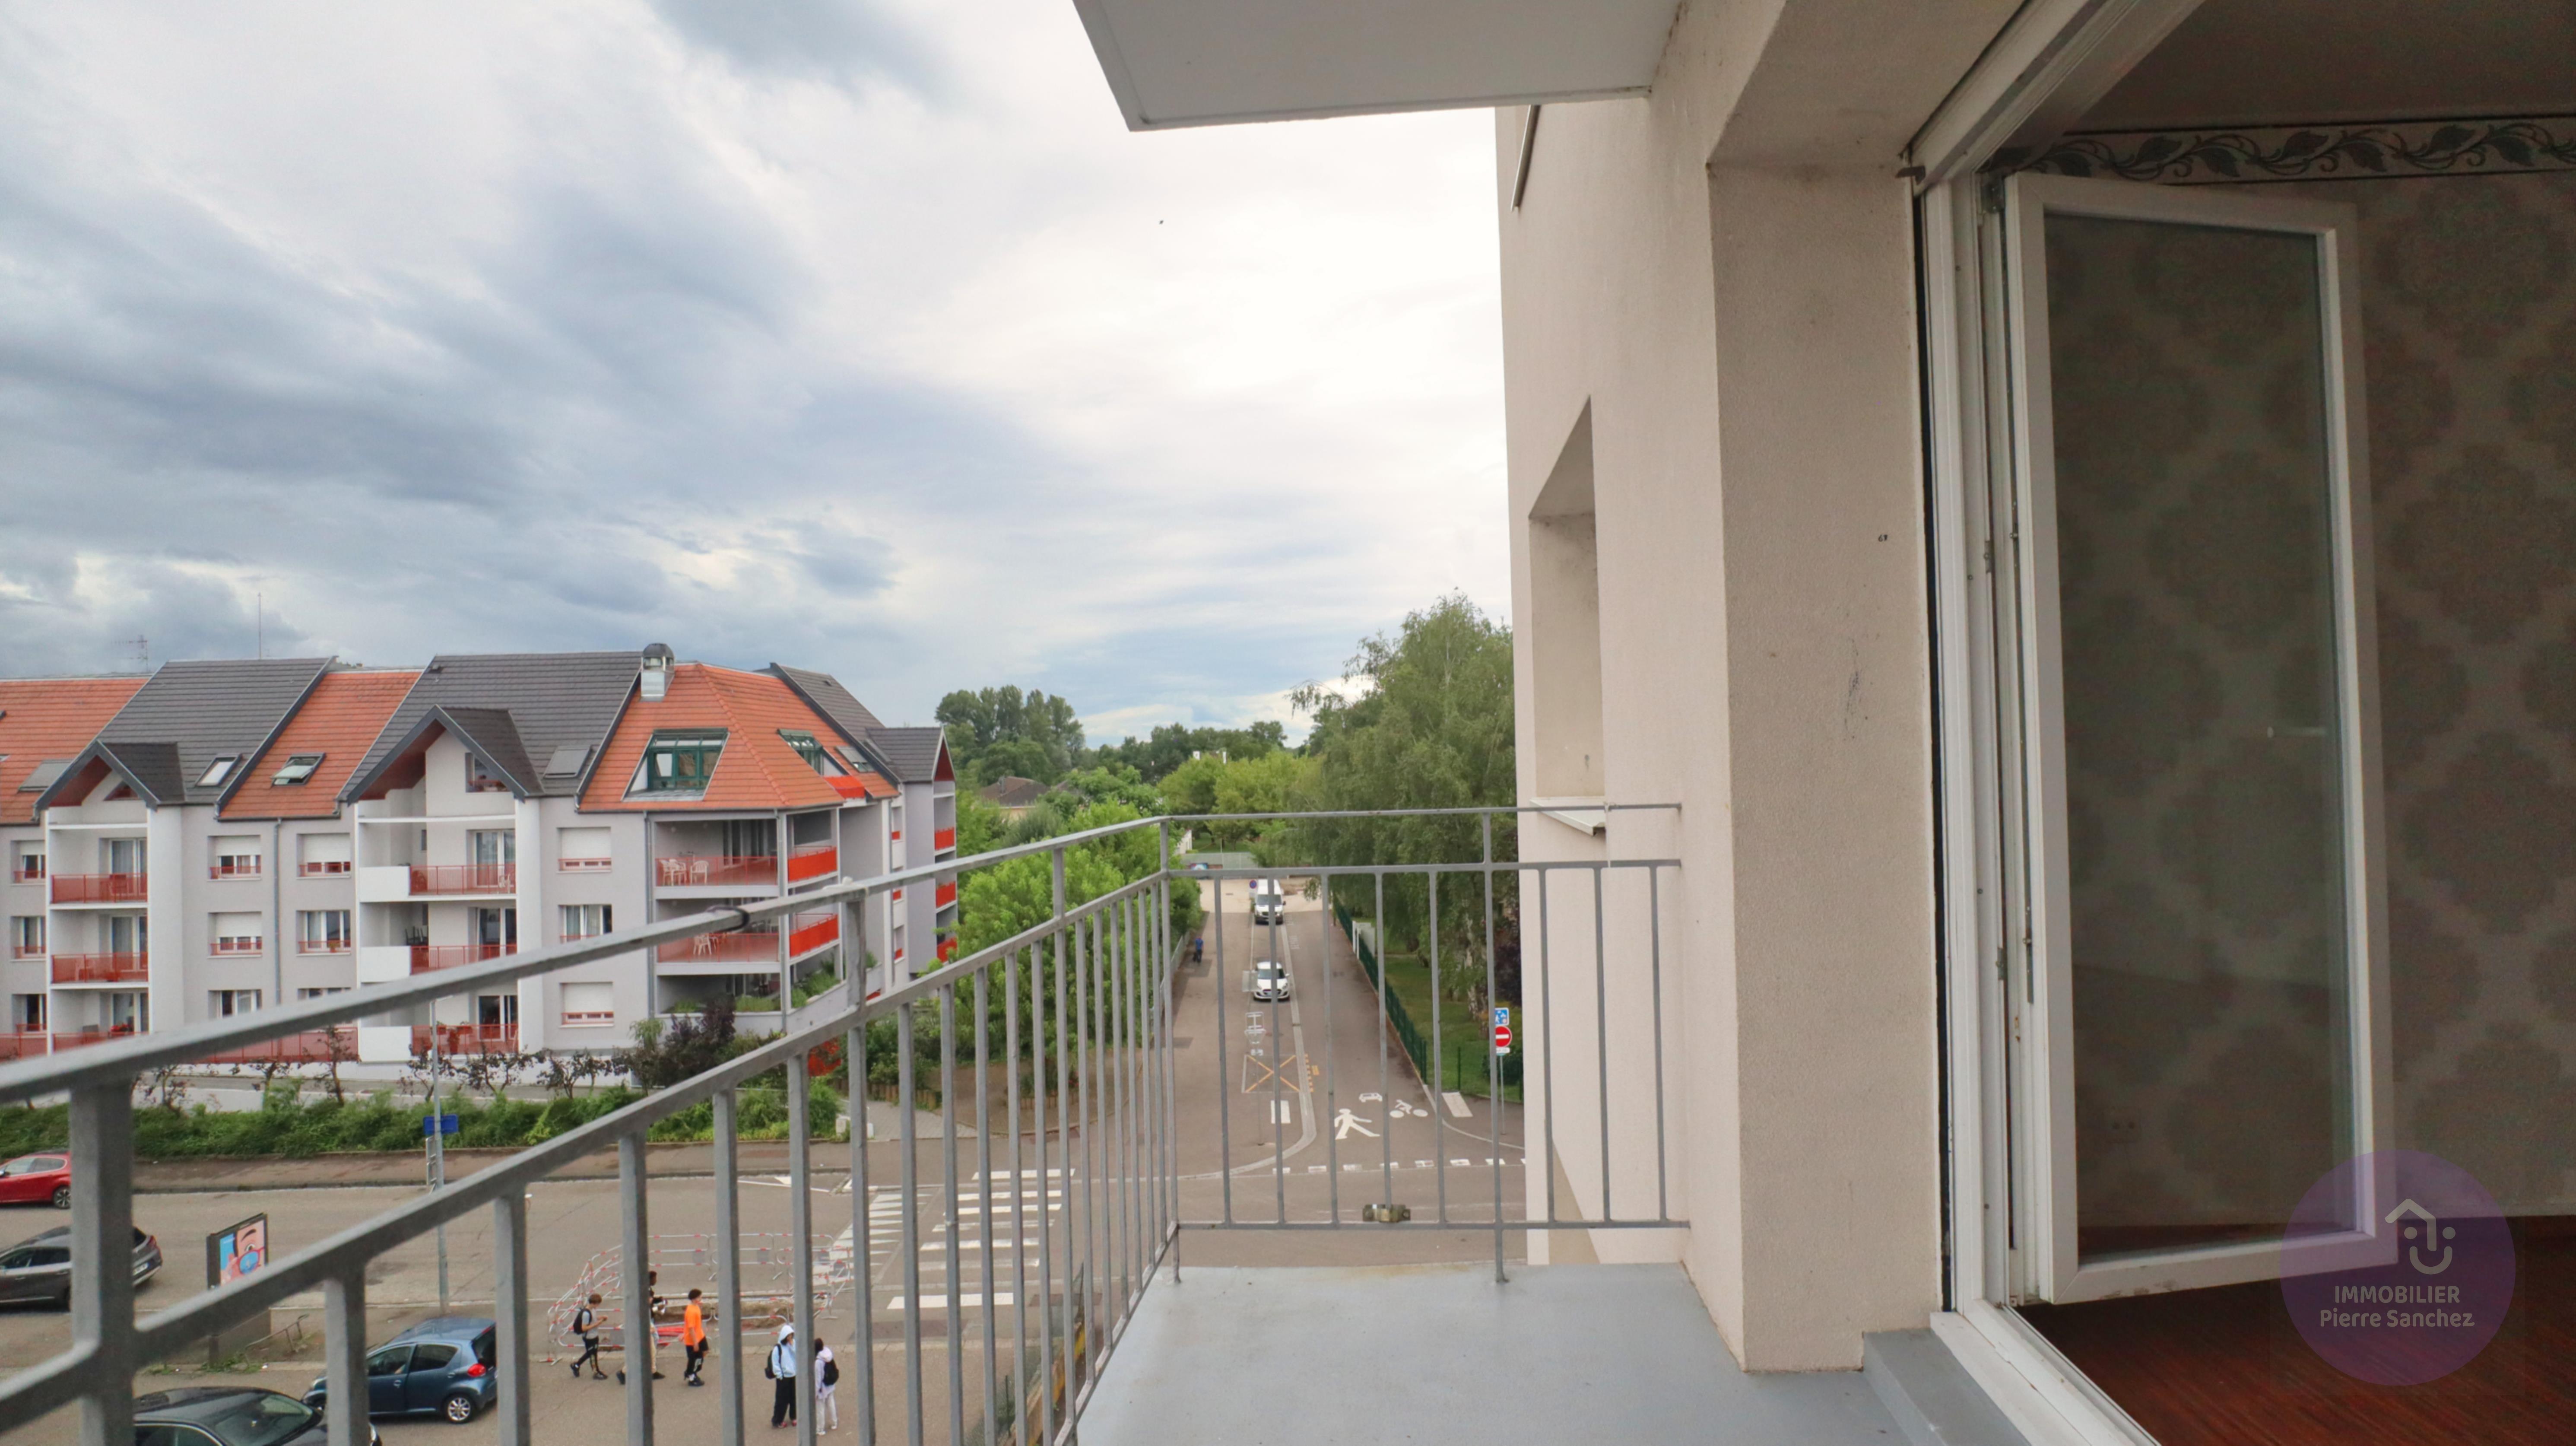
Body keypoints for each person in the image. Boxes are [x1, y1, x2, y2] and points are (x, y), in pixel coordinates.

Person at [618, 1270, 667, 1385]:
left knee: (651, 1348)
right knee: (644, 1350)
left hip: (645, 1326)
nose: (651, 1300)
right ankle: (626, 1372)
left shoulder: (643, 1293)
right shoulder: (642, 1302)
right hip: (643, 1329)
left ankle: (651, 1369)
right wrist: (656, 1312)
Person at [765, 1323, 798, 1428]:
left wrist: (792, 1344)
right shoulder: (778, 1349)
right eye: (788, 1336)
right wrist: (780, 1376)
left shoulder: (792, 1344)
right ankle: (778, 1420)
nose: (790, 1338)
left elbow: (798, 1354)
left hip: (793, 1375)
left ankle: (794, 1416)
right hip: (784, 1378)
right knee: (782, 1400)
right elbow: (776, 1364)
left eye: (791, 1336)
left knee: (794, 1398)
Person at [569, 1294, 606, 1379]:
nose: (598, 1306)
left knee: (592, 1353)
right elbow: (584, 1328)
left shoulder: (592, 1309)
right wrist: (598, 1323)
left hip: (594, 1335)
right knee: (592, 1354)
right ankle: (595, 1372)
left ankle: (577, 1365)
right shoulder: (586, 1314)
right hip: (589, 1337)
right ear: (594, 1303)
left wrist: (601, 1318)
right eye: (598, 1304)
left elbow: (593, 1318)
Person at [680, 1288, 708, 1387]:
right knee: (695, 1358)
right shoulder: (691, 1312)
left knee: (704, 1352)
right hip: (694, 1339)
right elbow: (691, 1328)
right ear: (694, 1299)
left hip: (700, 1335)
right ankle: (691, 1375)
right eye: (699, 1297)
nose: (701, 1299)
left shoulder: (695, 1307)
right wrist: (695, 1342)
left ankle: (694, 1371)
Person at [812, 1341, 839, 1433]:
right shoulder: (828, 1354)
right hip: (830, 1385)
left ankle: (820, 1429)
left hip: (822, 1389)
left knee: (821, 1409)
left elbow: (818, 1380)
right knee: (831, 1404)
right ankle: (834, 1423)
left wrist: (815, 1393)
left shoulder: (818, 1362)